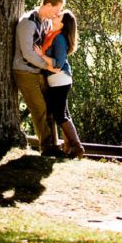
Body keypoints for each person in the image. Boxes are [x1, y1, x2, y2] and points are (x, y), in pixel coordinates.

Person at [12, 0, 65, 156]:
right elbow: (28, 53)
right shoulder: (27, 22)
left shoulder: (46, 23)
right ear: (48, 5)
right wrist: (48, 66)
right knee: (39, 108)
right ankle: (47, 147)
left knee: (49, 108)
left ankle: (55, 145)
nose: (58, 13)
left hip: (40, 71)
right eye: (57, 9)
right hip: (24, 71)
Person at [35, 8, 84, 158]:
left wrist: (41, 55)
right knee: (63, 113)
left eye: (59, 16)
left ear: (63, 24)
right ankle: (68, 147)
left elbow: (59, 64)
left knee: (59, 114)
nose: (55, 15)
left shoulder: (59, 39)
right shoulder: (51, 34)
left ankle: (78, 147)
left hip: (60, 80)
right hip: (56, 80)